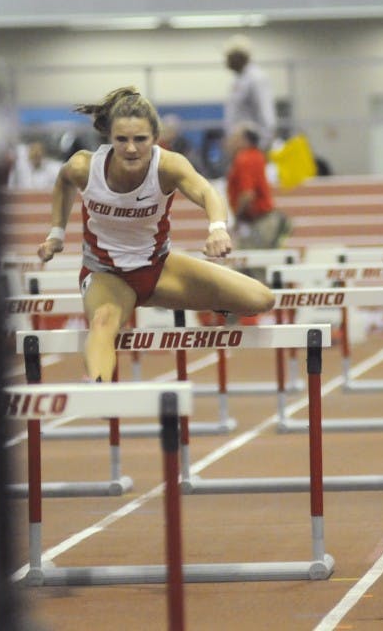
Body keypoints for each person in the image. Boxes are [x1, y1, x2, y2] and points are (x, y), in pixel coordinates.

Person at [36, 87, 274, 382]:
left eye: (140, 139)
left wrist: (217, 228)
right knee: (103, 322)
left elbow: (206, 191)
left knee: (261, 299)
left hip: (159, 269)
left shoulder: (167, 166)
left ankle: (183, 297)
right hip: (107, 275)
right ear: (109, 137)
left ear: (155, 137)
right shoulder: (85, 167)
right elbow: (62, 183)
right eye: (121, 140)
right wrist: (56, 233)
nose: (131, 149)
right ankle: (97, 390)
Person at [226, 123, 290, 253]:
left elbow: (247, 194)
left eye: (234, 138)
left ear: (243, 140)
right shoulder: (257, 155)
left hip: (258, 222)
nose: (229, 142)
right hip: (266, 220)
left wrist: (237, 220)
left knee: (247, 265)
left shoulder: (244, 159)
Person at [223, 34, 276, 151]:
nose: (226, 61)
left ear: (240, 56)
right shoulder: (238, 80)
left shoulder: (257, 78)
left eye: (229, 57)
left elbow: (266, 114)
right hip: (239, 146)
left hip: (254, 147)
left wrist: (263, 146)